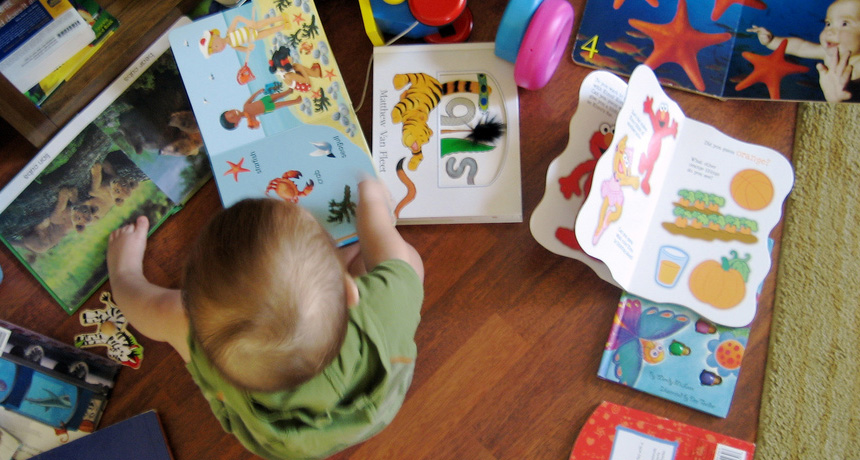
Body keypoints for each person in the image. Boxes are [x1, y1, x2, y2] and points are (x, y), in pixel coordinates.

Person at [106, 178, 425, 459]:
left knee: (170, 312)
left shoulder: (184, 322)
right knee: (407, 262)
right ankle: (333, 271)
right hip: (376, 405)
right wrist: (371, 200)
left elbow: (137, 305)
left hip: (282, 443)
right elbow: (393, 256)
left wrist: (123, 271)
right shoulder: (385, 309)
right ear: (348, 290)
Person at [748, 0, 860, 102]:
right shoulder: (826, 53)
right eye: (828, 24)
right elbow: (800, 47)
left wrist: (841, 94)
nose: (830, 31)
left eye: (845, 23)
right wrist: (772, 41)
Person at [220, 88, 302, 130]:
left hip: (263, 100)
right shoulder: (249, 117)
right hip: (266, 108)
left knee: (277, 95)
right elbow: (257, 125)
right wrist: (253, 124)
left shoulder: (245, 106)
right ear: (236, 124)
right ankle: (296, 101)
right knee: (282, 104)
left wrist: (258, 92)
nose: (233, 113)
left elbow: (251, 98)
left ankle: (288, 91)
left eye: (230, 112)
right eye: (232, 117)